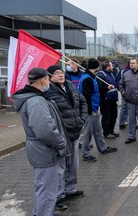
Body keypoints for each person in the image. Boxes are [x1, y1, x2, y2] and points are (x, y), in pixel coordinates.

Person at [12, 67, 69, 216]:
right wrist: (61, 142)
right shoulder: (36, 102)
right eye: (48, 79)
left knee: (44, 187)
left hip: (42, 150)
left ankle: (43, 212)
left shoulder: (36, 98)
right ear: (43, 80)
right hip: (45, 151)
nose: (49, 82)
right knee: (47, 190)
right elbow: (45, 131)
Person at [46, 65, 87, 210]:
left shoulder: (70, 86)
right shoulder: (48, 91)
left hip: (75, 131)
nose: (60, 75)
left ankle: (70, 189)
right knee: (60, 166)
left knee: (73, 164)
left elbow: (82, 101)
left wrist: (82, 119)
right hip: (61, 134)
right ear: (50, 76)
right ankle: (59, 195)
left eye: (61, 72)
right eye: (56, 73)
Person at [79, 59, 118, 162]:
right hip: (90, 110)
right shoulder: (87, 79)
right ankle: (86, 154)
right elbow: (86, 96)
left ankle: (103, 147)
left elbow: (96, 90)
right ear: (96, 67)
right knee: (88, 132)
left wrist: (106, 88)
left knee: (98, 130)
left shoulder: (91, 77)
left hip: (94, 109)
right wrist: (90, 110)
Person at [96, 61, 119, 139]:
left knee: (114, 116)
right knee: (106, 117)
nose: (113, 67)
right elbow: (98, 88)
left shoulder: (111, 74)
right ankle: (106, 133)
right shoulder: (100, 75)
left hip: (113, 99)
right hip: (105, 100)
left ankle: (111, 130)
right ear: (107, 67)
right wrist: (106, 88)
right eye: (111, 66)